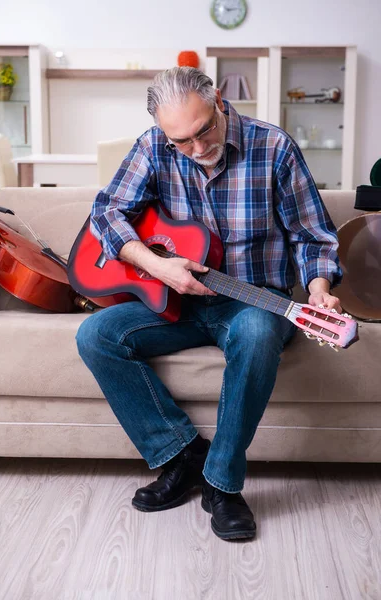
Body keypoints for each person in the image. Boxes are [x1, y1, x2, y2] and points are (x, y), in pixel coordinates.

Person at [76, 67, 342, 541]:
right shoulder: (153, 146)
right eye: (181, 141)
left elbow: (312, 236)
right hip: (176, 300)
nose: (197, 149)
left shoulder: (274, 147)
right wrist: (156, 266)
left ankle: (221, 486)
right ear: (162, 130)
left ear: (218, 101)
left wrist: (319, 289)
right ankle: (181, 455)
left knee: (258, 334)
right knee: (96, 335)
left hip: (254, 301)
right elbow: (107, 212)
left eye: (204, 131)